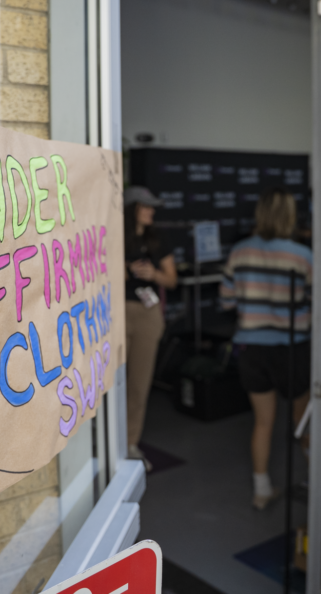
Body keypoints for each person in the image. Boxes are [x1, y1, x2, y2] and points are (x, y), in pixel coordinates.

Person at [220, 188, 312, 510]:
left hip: (253, 348)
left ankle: (261, 490)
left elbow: (226, 300)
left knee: (263, 422)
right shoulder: (302, 255)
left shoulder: (239, 252)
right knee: (302, 421)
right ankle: (316, 481)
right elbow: (316, 305)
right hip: (292, 348)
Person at [124, 186, 178, 472]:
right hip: (114, 311)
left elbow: (172, 280)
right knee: (108, 379)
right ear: (131, 208)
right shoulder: (112, 234)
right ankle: (102, 441)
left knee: (139, 382)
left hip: (147, 313)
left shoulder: (159, 238)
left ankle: (131, 442)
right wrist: (127, 270)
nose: (151, 211)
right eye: (146, 206)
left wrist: (152, 273)